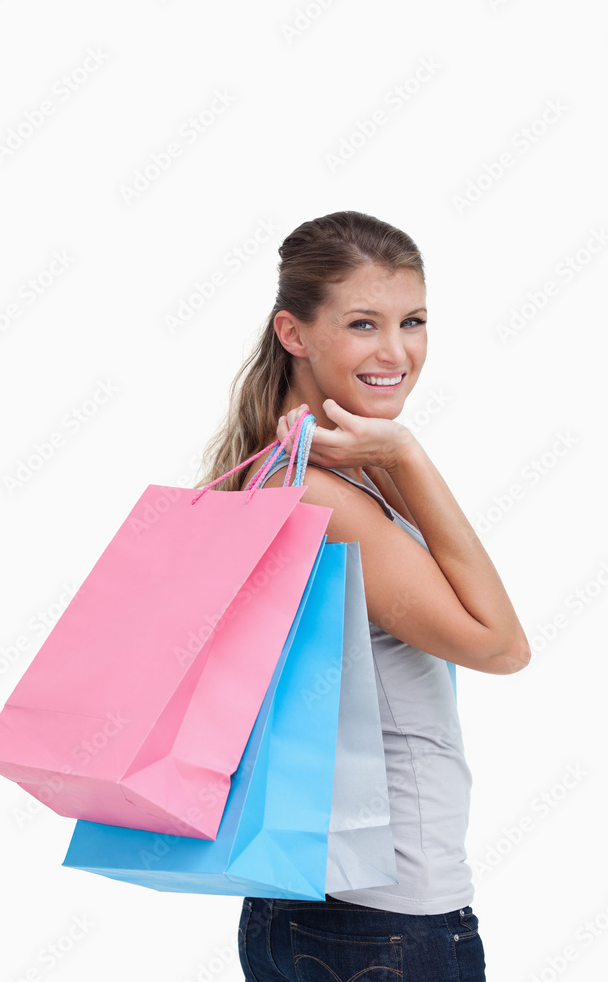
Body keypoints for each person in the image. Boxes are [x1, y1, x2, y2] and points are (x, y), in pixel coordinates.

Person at [196, 210, 530, 981]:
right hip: (388, 918)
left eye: (412, 321)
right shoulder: (328, 497)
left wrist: (383, 465)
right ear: (294, 333)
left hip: (291, 906)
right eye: (361, 323)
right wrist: (406, 456)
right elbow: (500, 645)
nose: (396, 351)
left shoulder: (272, 471)